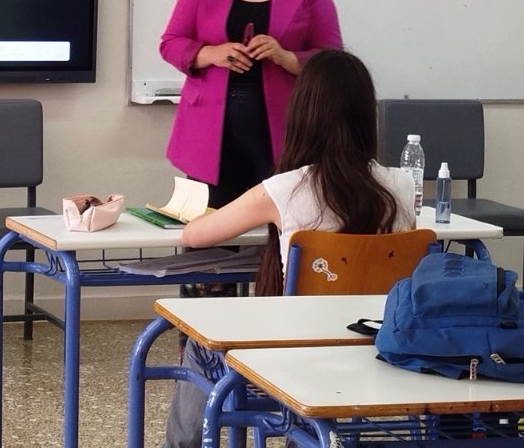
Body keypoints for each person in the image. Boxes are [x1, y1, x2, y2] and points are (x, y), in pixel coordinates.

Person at [162, 49, 415, 448]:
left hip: (297, 352)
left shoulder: (285, 189)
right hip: (375, 348)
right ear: (368, 115)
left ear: (302, 113)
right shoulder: (401, 185)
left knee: (201, 343)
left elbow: (194, 236)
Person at [160, 0, 343, 209]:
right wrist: (211, 53)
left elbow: (333, 60)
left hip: (282, 129)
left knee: (282, 223)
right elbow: (171, 42)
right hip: (209, 132)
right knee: (208, 227)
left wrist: (286, 57)